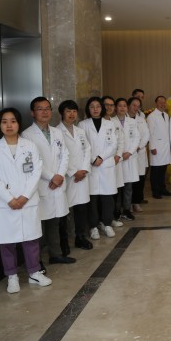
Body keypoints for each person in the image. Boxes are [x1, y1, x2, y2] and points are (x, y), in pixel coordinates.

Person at [0, 108, 52, 293]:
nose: (9, 125)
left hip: (27, 200)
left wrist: (23, 197)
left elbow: (36, 173)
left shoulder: (30, 146)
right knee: (6, 242)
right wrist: (9, 199)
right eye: (4, 121)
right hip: (4, 203)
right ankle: (12, 276)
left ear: (18, 124)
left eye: (13, 121)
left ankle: (34, 272)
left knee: (31, 239)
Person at [21, 97, 74, 265]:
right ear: (32, 113)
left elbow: (65, 155)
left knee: (54, 221)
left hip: (57, 183)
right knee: (37, 225)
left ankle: (55, 254)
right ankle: (36, 261)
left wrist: (60, 175)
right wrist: (53, 177)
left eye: (47, 108)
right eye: (40, 109)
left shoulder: (57, 132)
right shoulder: (27, 135)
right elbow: (33, 162)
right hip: (40, 184)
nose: (44, 112)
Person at [78, 97, 118, 239]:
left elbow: (114, 144)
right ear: (88, 109)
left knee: (108, 198)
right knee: (92, 198)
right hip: (91, 165)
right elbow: (82, 146)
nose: (95, 109)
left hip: (106, 164)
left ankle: (107, 224)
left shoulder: (110, 124)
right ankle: (93, 226)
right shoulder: (82, 125)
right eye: (92, 107)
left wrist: (101, 157)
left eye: (98, 106)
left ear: (102, 108)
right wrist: (93, 159)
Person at [57, 100, 93, 250]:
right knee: (64, 211)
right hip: (67, 176)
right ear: (62, 113)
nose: (72, 114)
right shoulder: (57, 132)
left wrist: (84, 170)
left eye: (74, 111)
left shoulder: (80, 131)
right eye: (68, 111)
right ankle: (64, 242)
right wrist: (73, 172)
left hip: (82, 176)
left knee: (81, 208)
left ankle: (80, 237)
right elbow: (60, 156)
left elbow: (87, 150)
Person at [115, 98, 140, 221]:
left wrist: (129, 152)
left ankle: (126, 210)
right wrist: (120, 154)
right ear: (116, 107)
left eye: (124, 106)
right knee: (118, 187)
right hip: (117, 158)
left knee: (128, 187)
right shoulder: (111, 122)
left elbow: (137, 138)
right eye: (120, 105)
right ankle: (117, 211)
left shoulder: (132, 122)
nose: (122, 108)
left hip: (129, 157)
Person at [102, 96, 125, 229]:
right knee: (105, 194)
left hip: (115, 162)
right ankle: (104, 220)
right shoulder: (97, 122)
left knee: (115, 192)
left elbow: (121, 141)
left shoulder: (115, 122)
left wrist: (118, 155)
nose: (109, 107)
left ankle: (112, 218)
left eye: (111, 105)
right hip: (102, 163)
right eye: (106, 105)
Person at [147, 96, 171, 199]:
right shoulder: (151, 116)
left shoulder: (166, 115)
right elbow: (150, 133)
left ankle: (163, 189)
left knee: (162, 170)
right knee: (155, 171)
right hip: (156, 147)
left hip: (165, 147)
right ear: (156, 103)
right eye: (160, 102)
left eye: (164, 102)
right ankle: (155, 191)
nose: (162, 104)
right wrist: (152, 147)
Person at [128, 96, 149, 211]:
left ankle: (136, 202)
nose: (136, 108)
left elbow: (146, 135)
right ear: (128, 106)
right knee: (129, 179)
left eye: (138, 106)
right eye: (133, 105)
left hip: (139, 152)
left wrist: (138, 147)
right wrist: (131, 149)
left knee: (139, 179)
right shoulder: (124, 119)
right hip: (128, 154)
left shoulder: (141, 119)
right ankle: (128, 203)